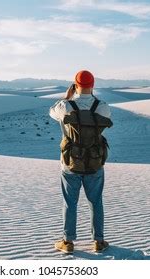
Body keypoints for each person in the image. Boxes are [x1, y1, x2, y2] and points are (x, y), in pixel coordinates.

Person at [49, 70, 112, 254]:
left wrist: (66, 97)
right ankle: (98, 241)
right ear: (92, 85)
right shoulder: (103, 107)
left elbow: (52, 112)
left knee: (70, 202)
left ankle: (67, 242)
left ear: (75, 85)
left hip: (70, 163)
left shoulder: (65, 106)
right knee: (96, 202)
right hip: (94, 162)